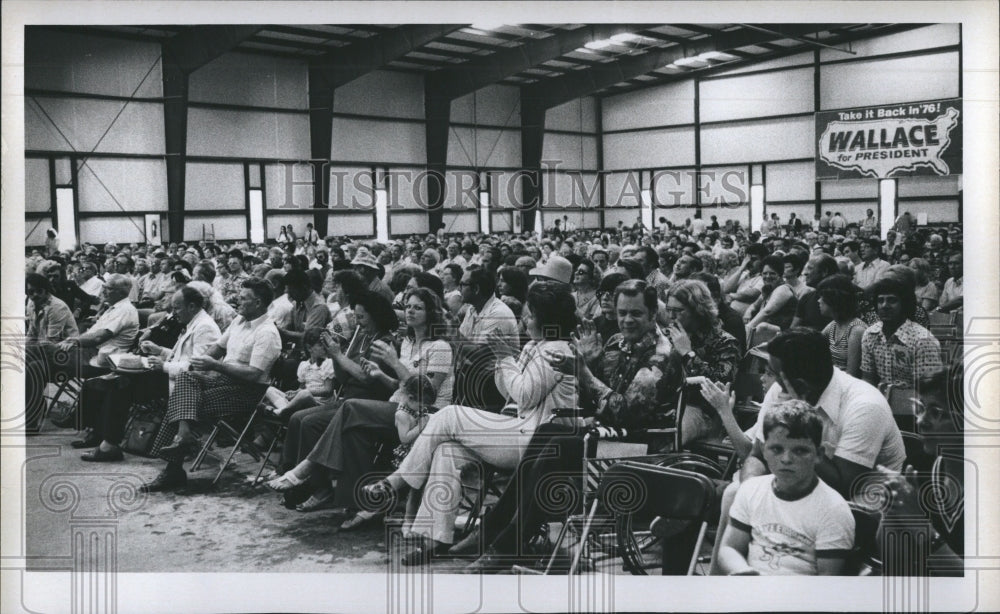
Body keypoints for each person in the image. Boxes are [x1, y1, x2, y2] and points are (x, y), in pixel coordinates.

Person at [458, 279, 685, 571]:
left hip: (643, 447)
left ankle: (506, 544)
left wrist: (584, 372)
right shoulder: (616, 342)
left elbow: (625, 412)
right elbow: (601, 397)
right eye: (622, 312)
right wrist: (589, 364)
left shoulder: (661, 355)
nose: (627, 320)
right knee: (548, 432)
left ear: (653, 314)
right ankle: (494, 532)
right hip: (609, 436)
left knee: (556, 445)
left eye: (636, 313)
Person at [362, 282, 579, 565]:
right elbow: (508, 393)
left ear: (547, 318)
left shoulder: (557, 349)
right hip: (518, 428)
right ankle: (436, 539)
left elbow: (525, 396)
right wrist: (506, 363)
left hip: (538, 440)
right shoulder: (536, 345)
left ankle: (396, 482)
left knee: (450, 414)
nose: (525, 320)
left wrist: (505, 359)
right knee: (446, 450)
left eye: (530, 315)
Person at [140, 278, 281, 493]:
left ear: (259, 303)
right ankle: (184, 436)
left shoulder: (267, 332)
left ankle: (174, 466)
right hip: (223, 381)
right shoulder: (240, 321)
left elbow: (254, 374)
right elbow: (216, 348)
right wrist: (199, 362)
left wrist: (215, 366)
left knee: (184, 404)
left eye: (243, 298)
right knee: (186, 379)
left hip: (246, 391)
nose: (237, 301)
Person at [77, 286, 221, 460]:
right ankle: (104, 438)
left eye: (177, 308)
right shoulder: (194, 322)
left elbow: (197, 367)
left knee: (122, 385)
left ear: (191, 306)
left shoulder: (205, 328)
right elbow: (182, 357)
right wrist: (159, 350)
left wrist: (163, 366)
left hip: (187, 388)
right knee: (120, 381)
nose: (174, 313)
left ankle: (108, 444)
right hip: (174, 377)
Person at [717, 399, 855, 576]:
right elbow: (729, 548)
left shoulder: (833, 509)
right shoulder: (751, 490)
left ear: (819, 455)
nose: (786, 459)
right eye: (776, 449)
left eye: (800, 451)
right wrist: (743, 571)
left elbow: (828, 580)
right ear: (763, 449)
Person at [662, 279, 741, 443]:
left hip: (700, 410)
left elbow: (718, 383)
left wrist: (688, 354)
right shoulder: (666, 335)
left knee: (670, 435)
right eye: (669, 310)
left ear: (698, 310)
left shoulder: (725, 342)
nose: (671, 316)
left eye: (678, 311)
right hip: (665, 404)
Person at [861, 278, 942, 390]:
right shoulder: (870, 334)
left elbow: (928, 391)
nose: (885, 305)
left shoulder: (923, 340)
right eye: (880, 301)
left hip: (912, 403)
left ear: (904, 304)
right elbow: (868, 379)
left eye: (892, 300)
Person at [263, 328, 336, 419]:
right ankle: (285, 409)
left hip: (320, 405)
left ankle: (282, 411)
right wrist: (295, 393)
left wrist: (304, 392)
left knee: (304, 394)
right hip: (303, 402)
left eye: (326, 344)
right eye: (321, 345)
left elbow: (328, 390)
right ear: (309, 348)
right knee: (268, 389)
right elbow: (301, 388)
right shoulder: (304, 365)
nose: (325, 347)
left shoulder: (328, 363)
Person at [816, 275, 866, 377]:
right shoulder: (833, 325)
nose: (818, 301)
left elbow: (851, 375)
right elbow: (812, 346)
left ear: (834, 299)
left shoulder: (856, 330)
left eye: (822, 297)